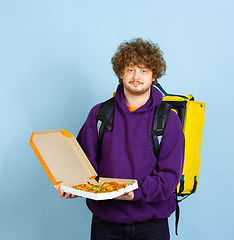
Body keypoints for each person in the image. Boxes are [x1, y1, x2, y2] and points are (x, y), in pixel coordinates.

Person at [60, 38, 185, 240]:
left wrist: (135, 192)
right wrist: (74, 185)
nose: (137, 76)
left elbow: (169, 177)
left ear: (154, 76)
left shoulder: (168, 119)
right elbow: (83, 165)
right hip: (106, 223)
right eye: (130, 69)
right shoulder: (100, 113)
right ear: (120, 73)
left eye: (144, 71)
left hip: (152, 224)